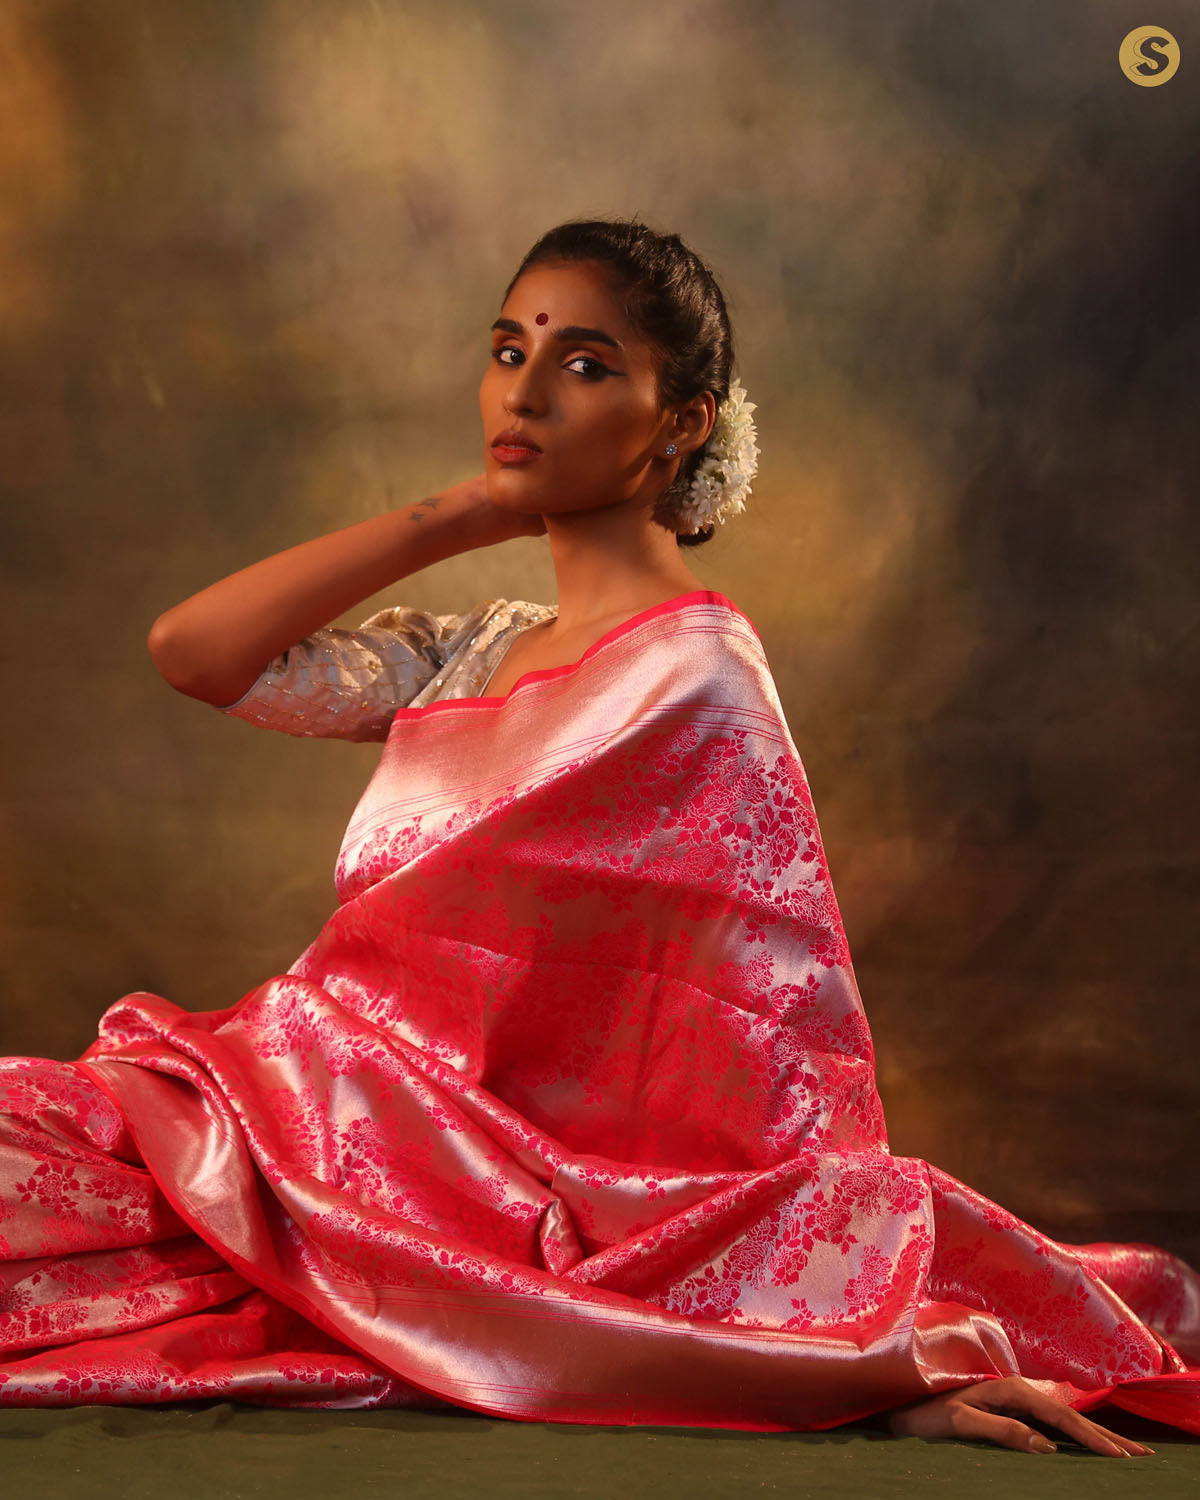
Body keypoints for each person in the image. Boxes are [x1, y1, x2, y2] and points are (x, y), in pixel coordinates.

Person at [1, 218, 1195, 1456]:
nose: (523, 391)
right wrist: (462, 513)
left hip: (471, 1217)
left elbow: (766, 1044)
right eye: (506, 350)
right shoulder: (471, 648)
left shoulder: (696, 679)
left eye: (583, 364)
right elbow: (196, 654)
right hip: (274, 1134)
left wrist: (856, 1357)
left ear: (681, 422)